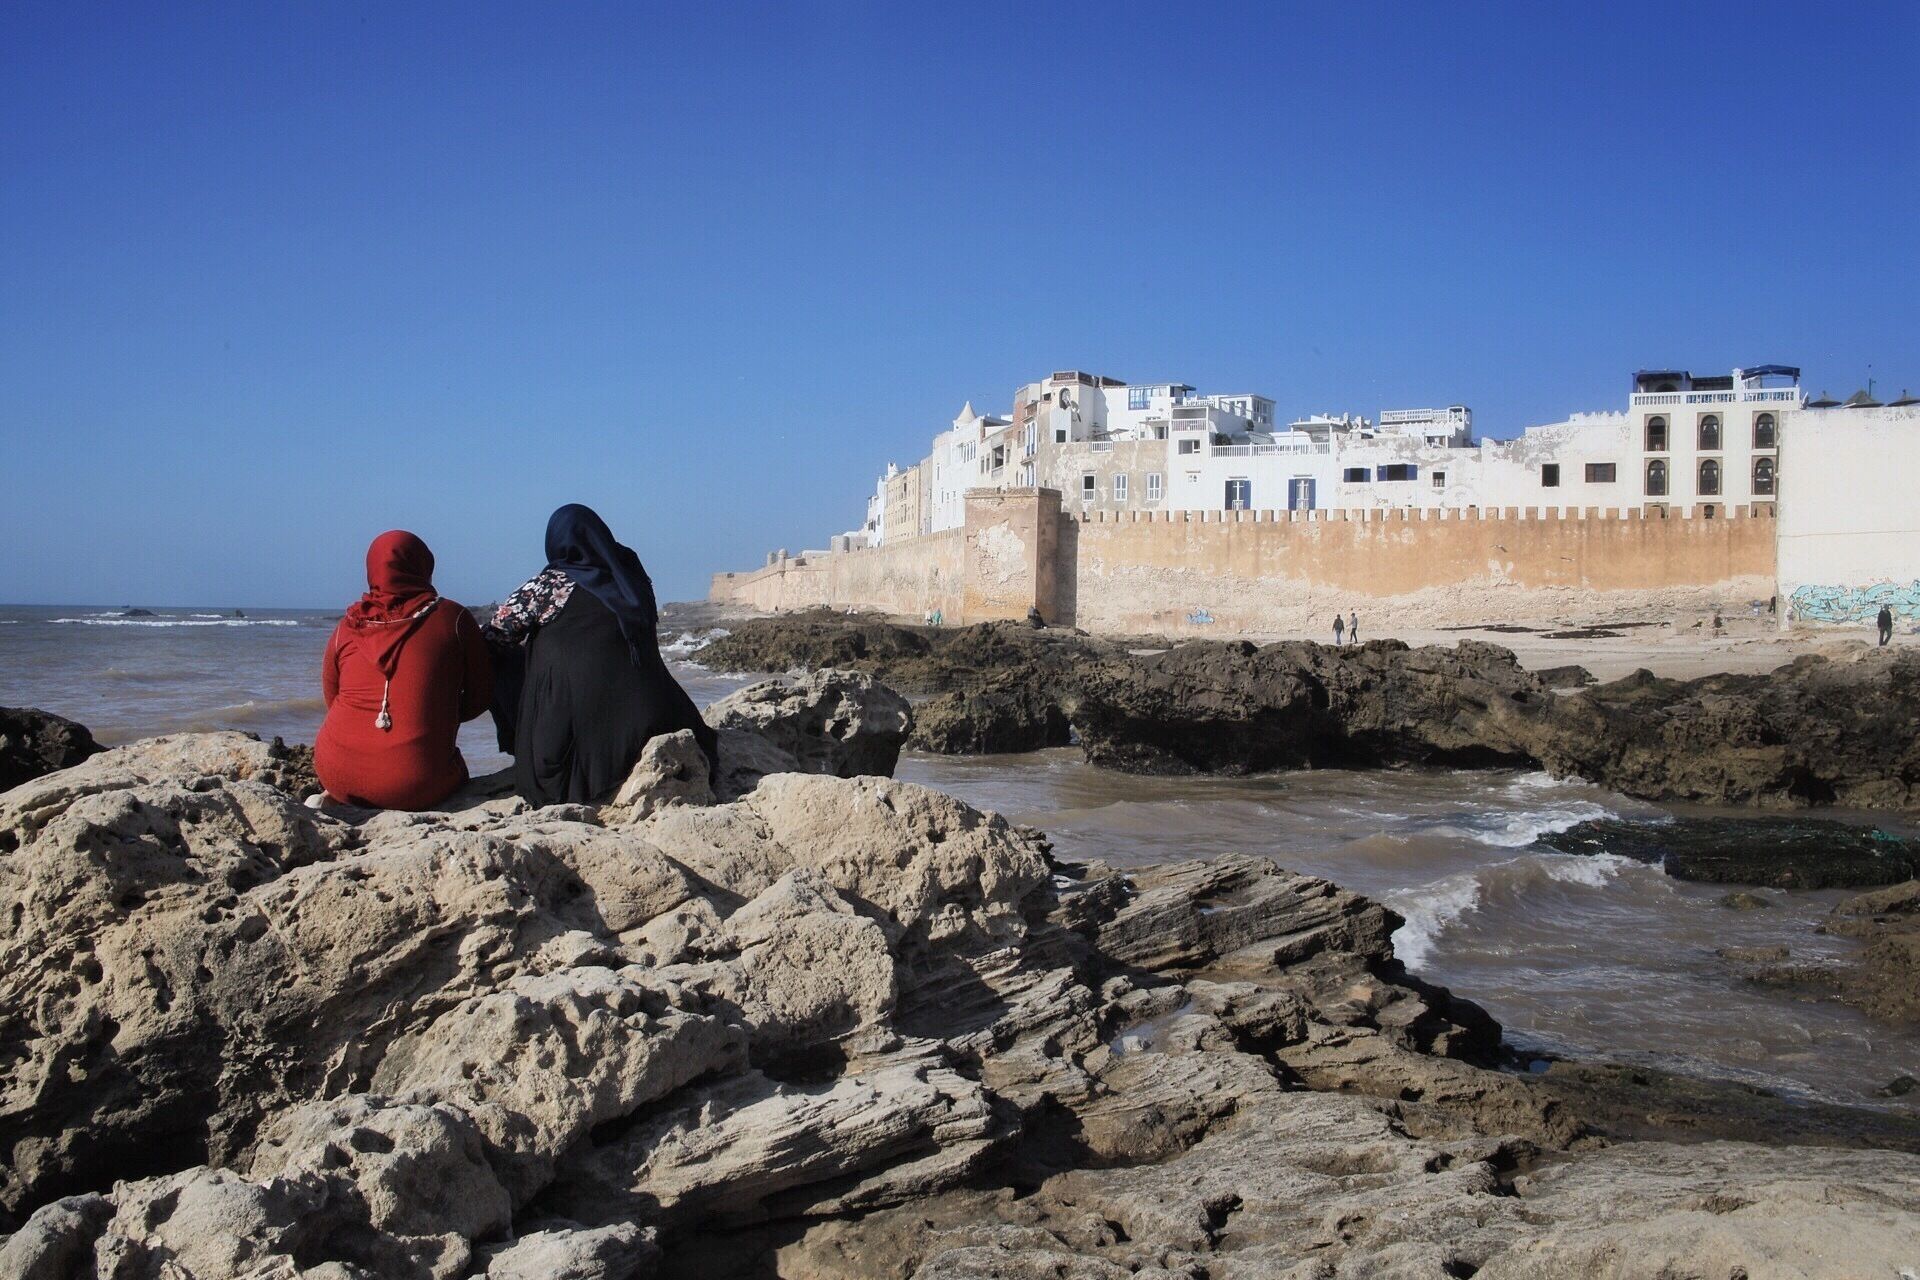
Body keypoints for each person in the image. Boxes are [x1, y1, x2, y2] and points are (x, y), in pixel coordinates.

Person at [486, 504, 717, 805]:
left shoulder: (549, 584)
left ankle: (519, 737)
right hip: (655, 720)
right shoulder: (631, 580)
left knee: (498, 654)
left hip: (575, 748)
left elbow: (495, 634)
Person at [315, 531, 492, 809]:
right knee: (453, 770)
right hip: (416, 783)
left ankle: (333, 799)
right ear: (424, 566)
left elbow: (332, 697)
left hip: (335, 774)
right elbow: (481, 695)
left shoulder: (347, 626)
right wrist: (440, 713)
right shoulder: (453, 618)